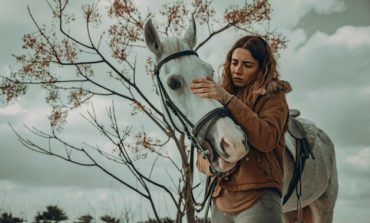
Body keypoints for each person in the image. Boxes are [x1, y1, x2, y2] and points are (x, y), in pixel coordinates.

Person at [190, 35, 291, 223]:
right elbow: (201, 155)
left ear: (262, 68)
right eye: (234, 62)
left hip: (258, 196)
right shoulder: (217, 97)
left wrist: (229, 100)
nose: (237, 70)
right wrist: (214, 165)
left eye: (247, 65)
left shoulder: (273, 97)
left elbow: (266, 138)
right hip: (220, 200)